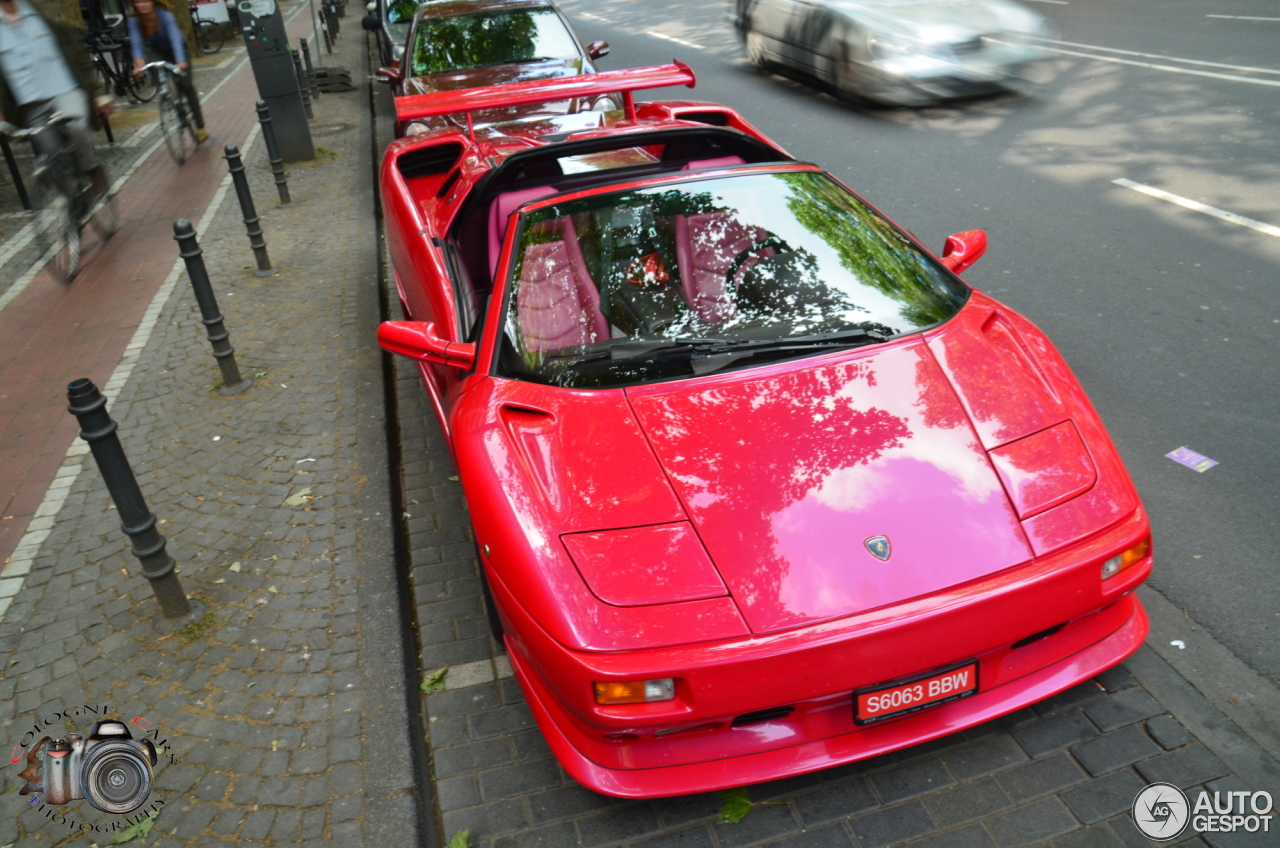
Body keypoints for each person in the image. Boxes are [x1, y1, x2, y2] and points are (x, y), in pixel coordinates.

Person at [0, 0, 113, 197]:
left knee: (76, 127)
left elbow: (77, 52)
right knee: (52, 157)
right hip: (30, 105)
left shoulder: (41, 11)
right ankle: (71, 205)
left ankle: (93, 169)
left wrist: (97, 94)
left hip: (64, 91)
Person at [128, 0, 205, 142]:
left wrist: (180, 61)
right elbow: (136, 43)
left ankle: (200, 127)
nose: (143, 4)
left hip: (178, 49)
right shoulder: (134, 20)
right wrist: (138, 66)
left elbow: (175, 38)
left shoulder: (164, 15)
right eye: (138, 1)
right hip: (157, 50)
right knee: (160, 76)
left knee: (186, 85)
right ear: (134, 4)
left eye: (146, 1)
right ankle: (170, 98)